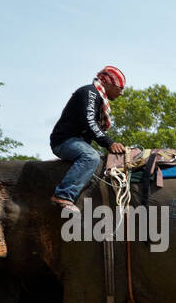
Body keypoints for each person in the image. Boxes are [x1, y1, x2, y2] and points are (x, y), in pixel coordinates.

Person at [49, 66, 127, 209]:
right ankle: (63, 195)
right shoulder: (90, 92)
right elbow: (89, 121)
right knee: (91, 157)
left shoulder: (98, 97)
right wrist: (109, 143)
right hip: (65, 141)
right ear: (108, 84)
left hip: (77, 142)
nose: (121, 93)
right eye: (120, 88)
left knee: (99, 159)